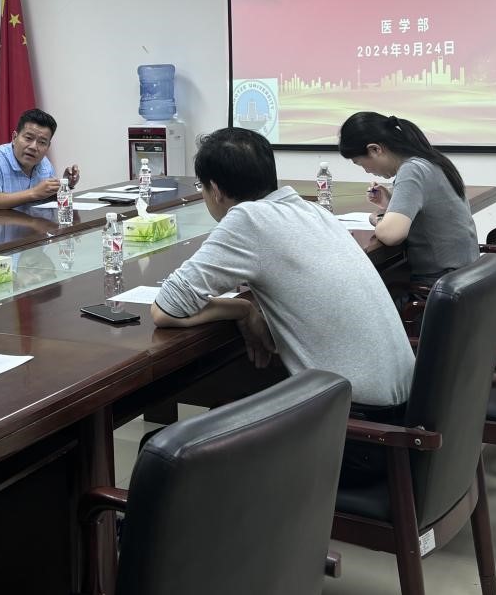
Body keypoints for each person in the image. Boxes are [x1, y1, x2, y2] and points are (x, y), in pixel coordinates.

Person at [151, 127, 414, 413]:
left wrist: (241, 309)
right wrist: (245, 309)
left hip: (354, 413)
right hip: (406, 398)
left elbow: (165, 310)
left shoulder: (248, 220)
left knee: (187, 429)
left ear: (215, 190)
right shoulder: (313, 210)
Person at [338, 111, 479, 281]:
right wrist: (391, 202)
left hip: (441, 282)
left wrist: (377, 219)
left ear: (375, 149)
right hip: (466, 276)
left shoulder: (412, 170)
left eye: (360, 163)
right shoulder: (430, 159)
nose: (366, 170)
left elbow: (391, 235)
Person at [0, 108, 80, 213]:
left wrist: (66, 184)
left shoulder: (45, 163)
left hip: (31, 223)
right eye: (28, 138)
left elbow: (48, 197)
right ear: (14, 138)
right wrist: (33, 193)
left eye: (42, 142)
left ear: (48, 146)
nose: (33, 147)